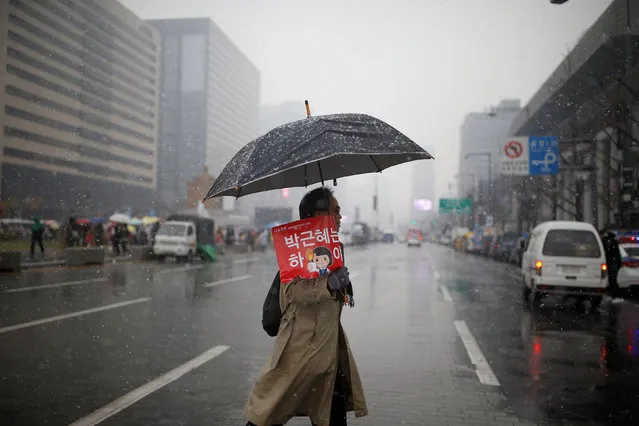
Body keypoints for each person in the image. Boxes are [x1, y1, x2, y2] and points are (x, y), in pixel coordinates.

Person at [244, 187, 367, 426]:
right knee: (268, 413)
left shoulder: (332, 248)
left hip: (328, 347)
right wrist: (329, 283)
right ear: (318, 215)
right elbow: (292, 291)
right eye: (335, 211)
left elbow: (335, 298)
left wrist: (342, 284)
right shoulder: (297, 249)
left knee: (332, 412)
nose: (340, 217)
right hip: (299, 349)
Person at [600, 228, 623, 303]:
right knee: (612, 280)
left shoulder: (608, 241)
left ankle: (617, 296)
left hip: (613, 263)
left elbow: (607, 252)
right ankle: (614, 296)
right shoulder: (612, 241)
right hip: (614, 263)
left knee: (612, 280)